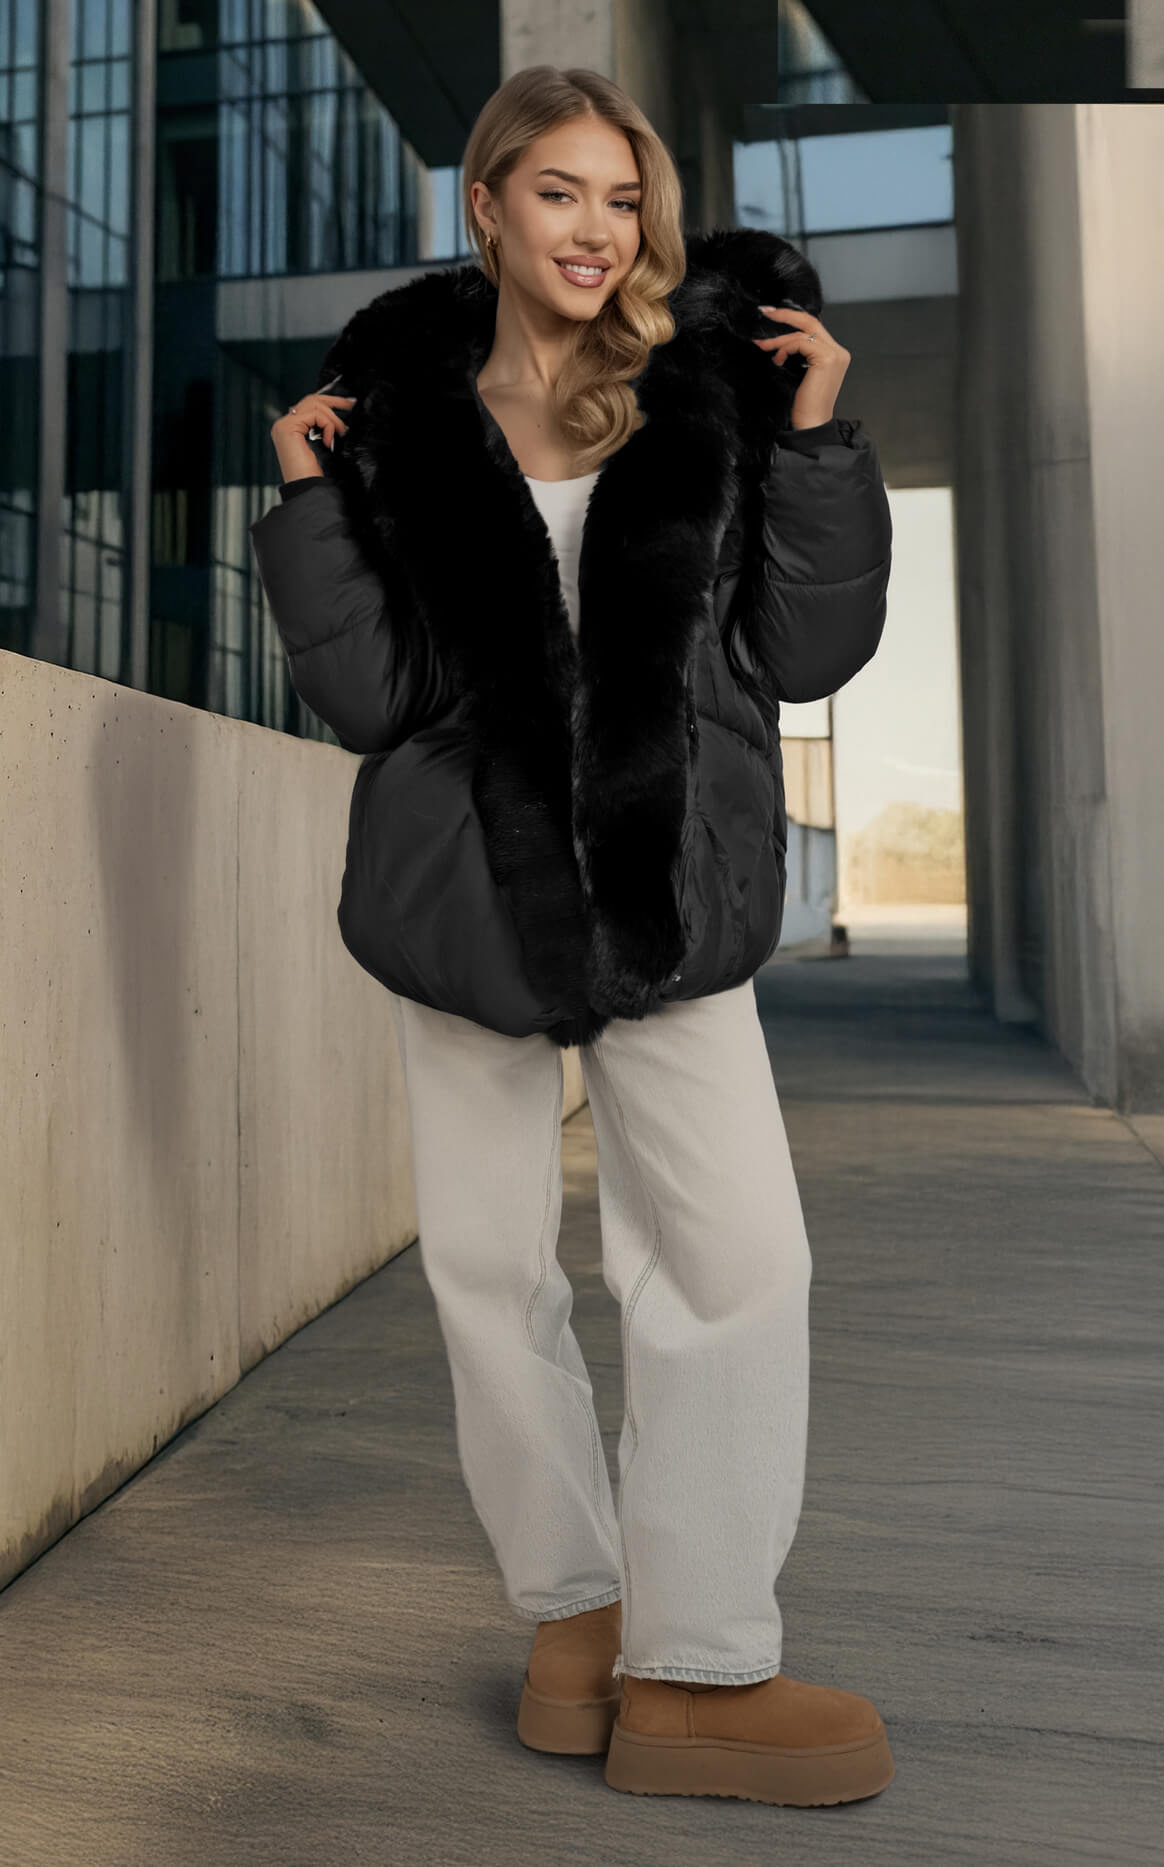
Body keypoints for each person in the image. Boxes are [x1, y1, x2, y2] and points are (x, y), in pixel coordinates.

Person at [248, 65, 895, 1810]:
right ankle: (576, 1621)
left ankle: (699, 1660)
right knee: (486, 1267)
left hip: (668, 891)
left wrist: (818, 443)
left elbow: (804, 653)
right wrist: (307, 502)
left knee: (738, 1262)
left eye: (624, 198)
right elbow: (376, 697)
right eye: (560, 194)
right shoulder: (396, 415)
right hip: (466, 891)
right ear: (486, 205)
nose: (599, 231)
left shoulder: (715, 384)